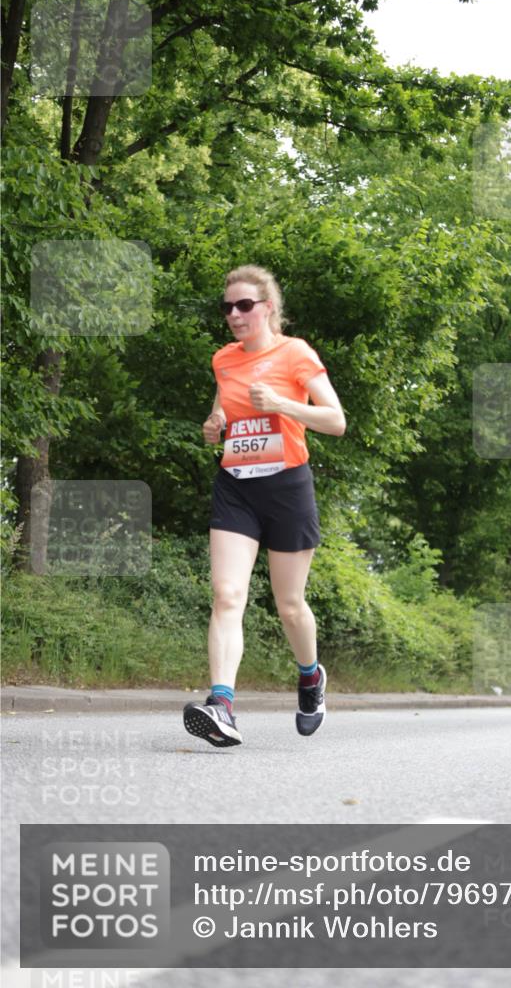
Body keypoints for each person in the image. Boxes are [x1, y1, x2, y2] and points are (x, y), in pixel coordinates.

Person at [183, 265, 346, 748]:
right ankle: (221, 705)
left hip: (287, 488)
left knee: (289, 605)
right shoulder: (224, 359)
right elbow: (224, 405)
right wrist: (215, 422)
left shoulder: (296, 353)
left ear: (268, 307)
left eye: (244, 305)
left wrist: (281, 403)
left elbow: (335, 420)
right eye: (227, 307)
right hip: (237, 486)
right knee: (227, 594)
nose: (234, 314)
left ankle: (310, 676)